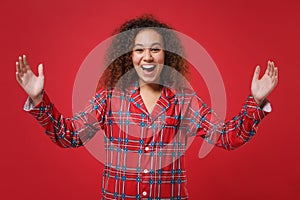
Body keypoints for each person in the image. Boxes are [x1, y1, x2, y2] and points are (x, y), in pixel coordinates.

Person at [15, 14, 278, 199]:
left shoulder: (185, 102)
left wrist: (255, 102)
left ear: (167, 56)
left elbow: (226, 137)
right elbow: (69, 136)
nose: (147, 57)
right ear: (130, 57)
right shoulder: (108, 99)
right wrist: (39, 100)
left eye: (155, 49)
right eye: (139, 50)